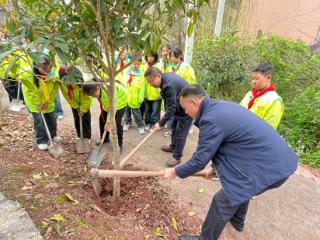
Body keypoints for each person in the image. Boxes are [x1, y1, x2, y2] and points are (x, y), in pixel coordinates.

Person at [163, 84, 298, 240]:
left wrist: (175, 171)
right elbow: (224, 145)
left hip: (272, 168)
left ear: (194, 103)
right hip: (277, 162)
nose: (185, 112)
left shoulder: (211, 119)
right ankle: (237, 220)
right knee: (243, 187)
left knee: (222, 201)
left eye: (185, 108)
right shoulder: (220, 106)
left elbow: (199, 160)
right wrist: (214, 169)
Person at [144, 67, 193, 167]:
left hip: (188, 109)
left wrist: (160, 123)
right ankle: (173, 147)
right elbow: (172, 106)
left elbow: (171, 108)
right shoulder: (165, 78)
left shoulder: (168, 85)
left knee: (180, 133)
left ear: (158, 76)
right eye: (148, 82)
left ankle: (177, 157)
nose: (150, 84)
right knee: (174, 128)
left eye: (151, 81)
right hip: (180, 107)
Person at [19, 54, 60, 150]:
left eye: (48, 71)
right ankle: (41, 140)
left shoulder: (53, 72)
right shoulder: (27, 75)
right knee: (39, 120)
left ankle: (53, 135)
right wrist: (38, 104)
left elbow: (54, 88)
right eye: (44, 71)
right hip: (33, 99)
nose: (46, 73)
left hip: (47, 97)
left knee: (51, 117)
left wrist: (48, 101)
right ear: (37, 68)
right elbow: (33, 92)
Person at [83, 80, 127, 151]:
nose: (93, 97)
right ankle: (105, 139)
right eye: (91, 96)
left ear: (98, 88)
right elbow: (104, 103)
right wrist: (106, 121)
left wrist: (109, 121)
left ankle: (119, 144)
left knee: (116, 123)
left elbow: (112, 107)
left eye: (93, 95)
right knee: (102, 119)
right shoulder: (96, 87)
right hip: (108, 104)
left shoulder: (108, 93)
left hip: (120, 102)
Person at [240, 63, 284, 129]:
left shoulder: (274, 100)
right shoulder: (249, 94)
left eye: (257, 79)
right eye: (252, 79)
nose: (254, 81)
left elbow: (269, 129)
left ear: (268, 78)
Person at [58, 66, 93, 140]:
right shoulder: (61, 83)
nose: (69, 83)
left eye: (71, 81)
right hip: (74, 105)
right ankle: (80, 136)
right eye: (66, 81)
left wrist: (83, 109)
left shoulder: (81, 85)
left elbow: (88, 100)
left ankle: (87, 138)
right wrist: (76, 107)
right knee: (77, 120)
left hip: (84, 105)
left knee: (85, 120)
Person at [122, 58, 145, 134]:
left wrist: (141, 98)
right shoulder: (126, 72)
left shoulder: (141, 74)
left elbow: (142, 87)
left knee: (137, 113)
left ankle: (141, 126)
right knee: (126, 112)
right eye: (134, 63)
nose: (136, 65)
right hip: (126, 97)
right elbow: (122, 84)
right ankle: (127, 123)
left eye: (138, 64)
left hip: (135, 98)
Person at [143, 51, 162, 131]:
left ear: (155, 57)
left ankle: (154, 124)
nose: (149, 58)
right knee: (147, 109)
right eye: (148, 56)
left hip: (156, 93)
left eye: (151, 56)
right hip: (146, 93)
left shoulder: (159, 66)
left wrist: (160, 92)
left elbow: (161, 79)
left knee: (155, 110)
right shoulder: (144, 66)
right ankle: (148, 123)